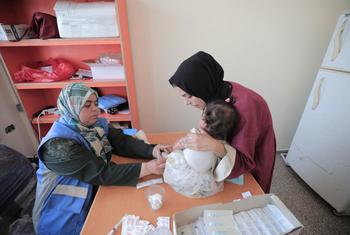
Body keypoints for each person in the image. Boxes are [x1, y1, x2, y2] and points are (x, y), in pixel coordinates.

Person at [32, 83, 169, 235]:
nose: (95, 109)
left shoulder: (94, 125)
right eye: (87, 105)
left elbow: (121, 142)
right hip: (62, 215)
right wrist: (148, 168)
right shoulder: (56, 145)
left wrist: (152, 150)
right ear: (71, 107)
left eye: (96, 103)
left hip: (94, 193)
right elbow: (99, 173)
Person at [169, 51, 276, 193]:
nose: (186, 103)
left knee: (250, 196)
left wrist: (214, 145)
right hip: (231, 157)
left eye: (188, 96)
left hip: (252, 157)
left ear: (199, 87)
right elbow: (212, 130)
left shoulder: (246, 107)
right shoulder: (213, 94)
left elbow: (245, 161)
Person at [164, 99, 240, 198]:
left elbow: (176, 146)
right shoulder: (222, 145)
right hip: (204, 182)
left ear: (204, 122)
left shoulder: (195, 135)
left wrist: (175, 149)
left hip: (184, 177)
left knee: (175, 156)